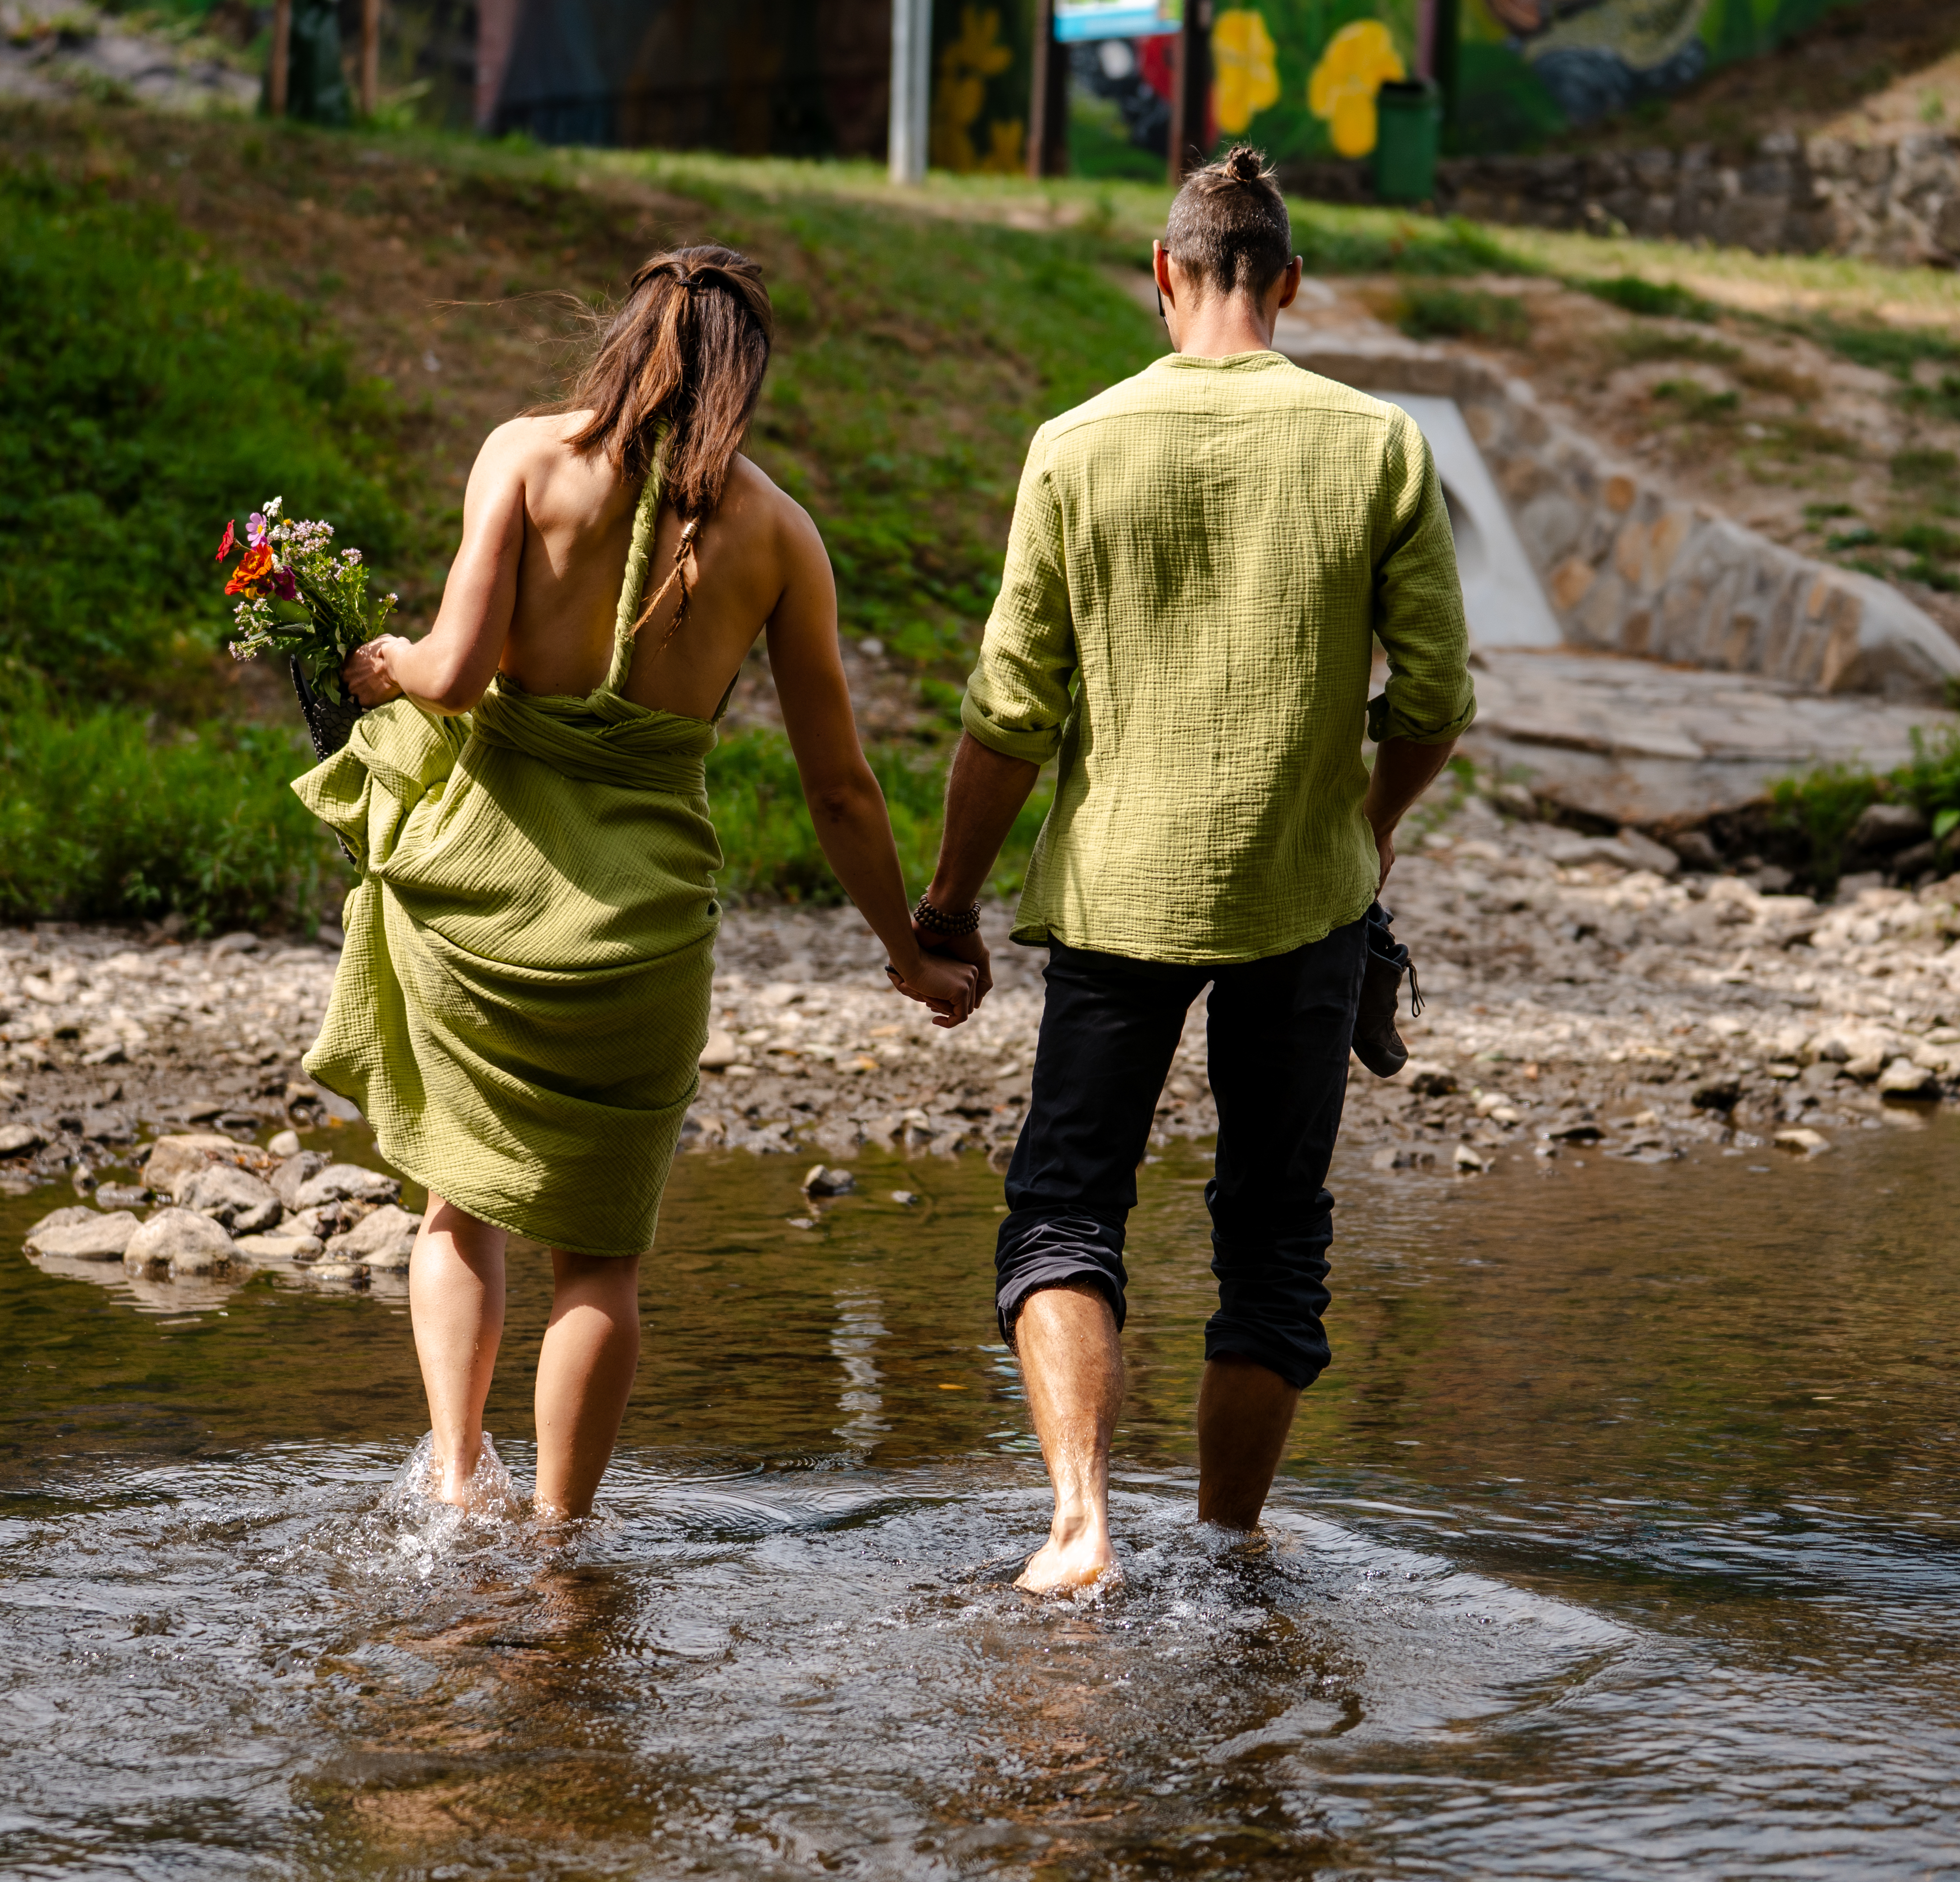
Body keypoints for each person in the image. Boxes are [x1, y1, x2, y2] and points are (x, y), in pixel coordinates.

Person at [299, 247, 981, 1522]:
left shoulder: (523, 455)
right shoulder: (780, 534)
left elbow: (451, 674)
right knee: (599, 1265)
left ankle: (455, 1484)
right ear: (746, 376)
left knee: (461, 1197)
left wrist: (383, 662)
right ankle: (561, 1542)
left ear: (622, 339)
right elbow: (841, 789)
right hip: (643, 936)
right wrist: (909, 948)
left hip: (483, 902)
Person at [908, 148, 1474, 1591]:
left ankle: (1082, 1528)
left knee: (1066, 1205)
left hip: (1118, 895)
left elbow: (1008, 715)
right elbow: (1435, 702)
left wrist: (950, 902)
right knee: (1274, 1233)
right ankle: (1225, 1546)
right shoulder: (1380, 445)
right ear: (1288, 284)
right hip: (1307, 900)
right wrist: (1370, 825)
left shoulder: (1076, 445)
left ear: (1164, 275)